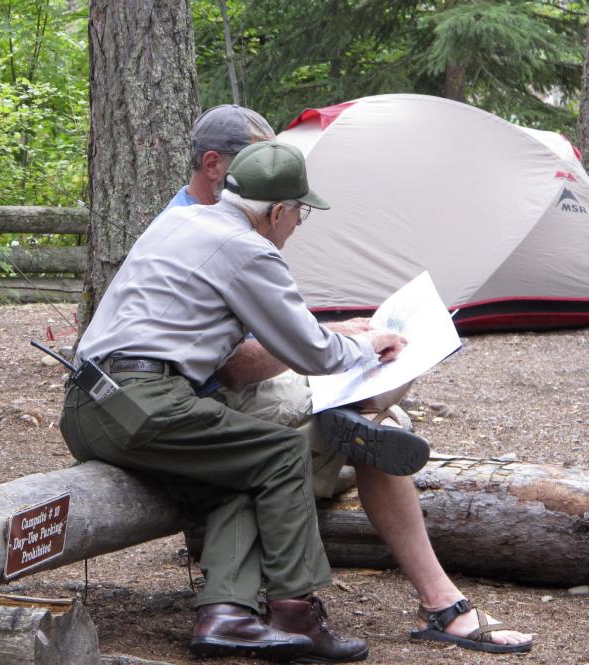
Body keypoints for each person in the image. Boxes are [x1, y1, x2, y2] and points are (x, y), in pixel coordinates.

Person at [167, 105, 533, 658]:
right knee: (369, 412)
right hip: (212, 411)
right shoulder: (198, 228)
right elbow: (233, 365)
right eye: (260, 163)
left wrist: (326, 337)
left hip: (241, 397)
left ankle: (349, 422)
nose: (274, 175)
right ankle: (441, 603)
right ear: (215, 166)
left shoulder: (228, 221)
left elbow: (260, 332)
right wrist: (322, 345)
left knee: (373, 391)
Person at [62, 140, 425, 662]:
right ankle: (296, 614)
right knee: (281, 453)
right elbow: (312, 352)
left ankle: (225, 614)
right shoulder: (249, 249)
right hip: (144, 402)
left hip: (86, 405)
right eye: (300, 213)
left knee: (234, 476)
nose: (299, 225)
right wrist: (369, 343)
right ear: (277, 212)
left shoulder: (181, 222)